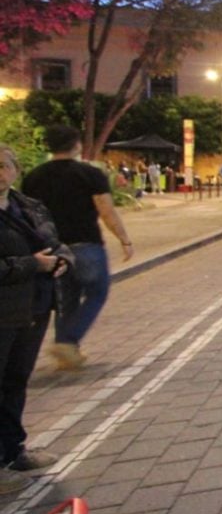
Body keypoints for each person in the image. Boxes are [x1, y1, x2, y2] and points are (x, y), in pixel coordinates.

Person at [22, 125, 133, 371]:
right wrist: (124, 239)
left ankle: (67, 352)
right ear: (76, 144)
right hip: (86, 244)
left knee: (66, 299)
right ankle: (67, 342)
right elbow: (106, 210)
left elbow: (29, 216)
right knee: (97, 292)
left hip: (53, 249)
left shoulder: (33, 177)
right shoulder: (89, 174)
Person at [0, 144, 73, 492]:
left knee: (15, 382)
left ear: (15, 170)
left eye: (3, 165)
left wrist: (62, 261)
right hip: (3, 311)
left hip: (33, 307)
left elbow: (56, 243)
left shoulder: (28, 207)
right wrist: (34, 265)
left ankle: (13, 451)